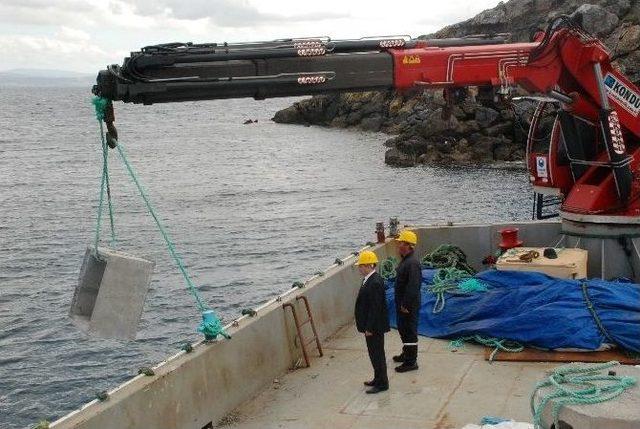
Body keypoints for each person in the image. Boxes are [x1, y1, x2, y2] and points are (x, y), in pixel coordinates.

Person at [354, 250, 390, 394]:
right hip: (371, 326)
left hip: (374, 327)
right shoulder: (369, 279)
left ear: (368, 265)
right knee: (373, 353)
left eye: (361, 265)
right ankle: (378, 378)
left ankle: (382, 383)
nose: (359, 268)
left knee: (377, 354)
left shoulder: (374, 282)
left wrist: (369, 327)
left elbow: (375, 308)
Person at [393, 230, 422, 372]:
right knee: (403, 329)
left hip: (408, 306)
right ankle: (406, 353)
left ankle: (411, 362)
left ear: (408, 245)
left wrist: (405, 304)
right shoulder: (406, 260)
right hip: (402, 304)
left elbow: (413, 286)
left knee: (409, 331)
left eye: (401, 243)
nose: (398, 245)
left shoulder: (412, 263)